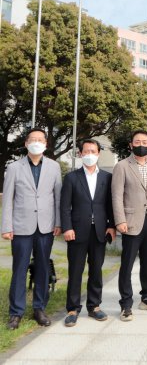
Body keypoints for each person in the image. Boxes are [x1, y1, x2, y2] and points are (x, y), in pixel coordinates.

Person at [2, 128, 62, 329]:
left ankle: (39, 308)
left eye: (40, 139)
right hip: (21, 226)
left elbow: (58, 197)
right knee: (19, 268)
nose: (37, 142)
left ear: (46, 144)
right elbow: (8, 198)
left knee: (43, 268)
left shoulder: (54, 167)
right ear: (26, 143)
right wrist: (7, 226)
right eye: (32, 139)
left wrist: (58, 222)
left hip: (46, 226)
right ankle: (16, 312)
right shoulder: (14, 167)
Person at [60, 139, 115, 327]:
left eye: (93, 151)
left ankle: (94, 306)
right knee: (75, 270)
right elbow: (65, 206)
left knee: (96, 270)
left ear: (98, 153)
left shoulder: (107, 178)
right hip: (76, 231)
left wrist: (111, 225)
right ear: (80, 153)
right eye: (86, 151)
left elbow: (110, 204)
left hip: (99, 231)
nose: (89, 154)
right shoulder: (71, 178)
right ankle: (73, 308)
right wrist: (67, 227)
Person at [112, 130, 147, 321]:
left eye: (145, 141)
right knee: (127, 264)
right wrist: (120, 220)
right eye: (137, 141)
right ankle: (126, 303)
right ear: (130, 144)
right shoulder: (122, 166)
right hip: (131, 222)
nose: (141, 144)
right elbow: (116, 195)